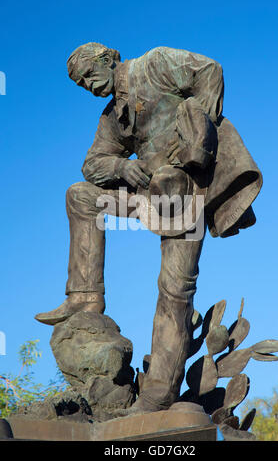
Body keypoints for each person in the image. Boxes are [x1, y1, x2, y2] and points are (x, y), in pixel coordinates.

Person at [35, 43, 262, 414]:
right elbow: (92, 164)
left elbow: (210, 71)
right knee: (81, 196)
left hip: (186, 195)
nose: (89, 87)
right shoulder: (113, 116)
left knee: (174, 290)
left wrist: (198, 135)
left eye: (90, 75)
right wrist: (122, 168)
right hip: (146, 196)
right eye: (81, 85)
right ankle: (85, 295)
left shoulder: (154, 65)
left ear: (108, 59)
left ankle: (158, 396)